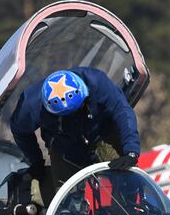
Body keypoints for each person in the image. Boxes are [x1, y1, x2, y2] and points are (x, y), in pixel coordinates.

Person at [10, 68, 141, 197]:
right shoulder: (30, 105)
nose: (73, 116)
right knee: (66, 200)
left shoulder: (97, 82)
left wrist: (131, 151)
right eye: (65, 116)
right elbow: (20, 131)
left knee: (128, 181)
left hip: (102, 133)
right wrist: (36, 161)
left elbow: (122, 111)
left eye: (77, 109)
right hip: (64, 149)